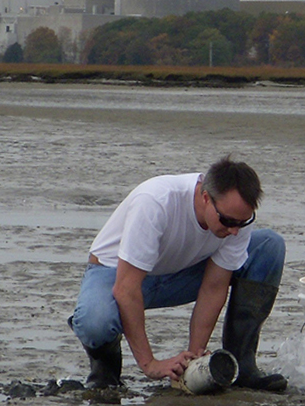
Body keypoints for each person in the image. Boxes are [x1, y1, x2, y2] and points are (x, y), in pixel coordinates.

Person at [68, 155, 287, 392]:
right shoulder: (156, 201)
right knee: (94, 321)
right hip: (116, 273)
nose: (234, 230)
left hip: (181, 273)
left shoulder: (236, 219)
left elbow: (214, 287)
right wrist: (150, 364)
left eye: (242, 222)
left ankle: (240, 366)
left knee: (268, 246)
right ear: (205, 197)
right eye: (227, 221)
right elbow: (126, 288)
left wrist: (192, 362)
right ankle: (105, 371)